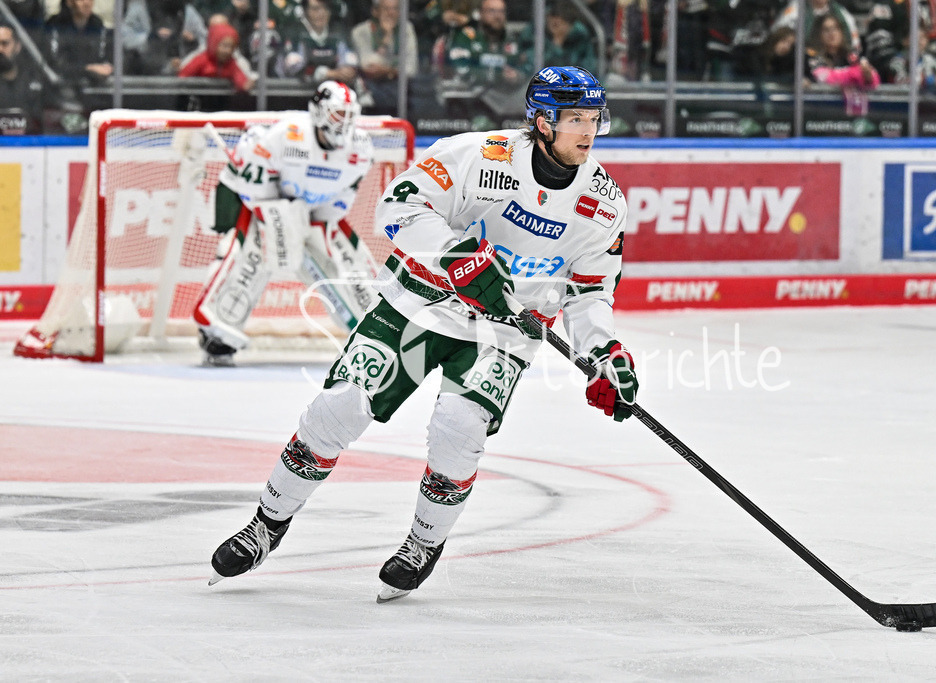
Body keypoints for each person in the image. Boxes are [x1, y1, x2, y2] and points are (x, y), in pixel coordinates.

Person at [208, 66, 637, 604]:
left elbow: (590, 292)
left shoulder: (603, 202)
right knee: (337, 409)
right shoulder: (478, 155)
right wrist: (454, 256)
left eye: (594, 119)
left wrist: (604, 353)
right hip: (418, 302)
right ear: (542, 121)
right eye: (575, 119)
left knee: (460, 429)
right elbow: (397, 205)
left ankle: (424, 542)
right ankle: (266, 525)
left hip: (503, 331)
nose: (589, 131)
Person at [192, 81, 374, 366]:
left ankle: (375, 330)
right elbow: (252, 189)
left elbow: (341, 200)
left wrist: (307, 221)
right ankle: (218, 332)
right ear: (319, 112)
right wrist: (282, 218)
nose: (345, 122)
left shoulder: (360, 147)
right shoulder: (287, 135)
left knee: (346, 261)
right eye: (338, 113)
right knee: (251, 256)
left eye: (349, 115)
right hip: (268, 206)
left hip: (312, 213)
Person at [350, 0, 418, 115]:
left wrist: (387, 71)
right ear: (375, 11)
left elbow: (411, 69)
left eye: (395, 8)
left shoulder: (406, 29)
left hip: (398, 90)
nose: (391, 13)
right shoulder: (360, 31)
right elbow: (368, 66)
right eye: (386, 9)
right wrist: (386, 38)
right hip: (371, 90)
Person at [805, 13, 879, 115]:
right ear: (818, 34)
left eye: (835, 28)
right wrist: (855, 74)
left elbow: (874, 77)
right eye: (826, 30)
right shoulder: (812, 57)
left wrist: (867, 76)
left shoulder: (853, 55)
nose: (832, 33)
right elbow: (824, 77)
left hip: (852, 112)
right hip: (822, 110)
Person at [277, 0, 359, 86]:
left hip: (335, 88)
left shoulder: (338, 32)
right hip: (296, 89)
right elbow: (293, 68)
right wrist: (328, 73)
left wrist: (347, 71)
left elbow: (349, 59)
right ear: (305, 11)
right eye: (315, 9)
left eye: (326, 8)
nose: (321, 13)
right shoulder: (295, 33)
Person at [42, 0, 113, 89]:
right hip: (60, 87)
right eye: (81, 0)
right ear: (69, 2)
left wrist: (106, 67)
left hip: (92, 87)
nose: (86, 3)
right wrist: (88, 68)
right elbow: (55, 65)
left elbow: (101, 57)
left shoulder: (96, 24)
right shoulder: (55, 24)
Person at [516, 3, 598, 77]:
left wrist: (559, 41)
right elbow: (528, 64)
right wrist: (556, 43)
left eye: (559, 23)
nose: (555, 26)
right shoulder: (536, 32)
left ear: (570, 24)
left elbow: (589, 69)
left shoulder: (580, 37)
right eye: (553, 22)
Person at [0, 22, 49, 134]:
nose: (0, 49)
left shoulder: (36, 80)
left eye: (5, 43)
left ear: (17, 46)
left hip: (32, 141)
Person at [177, 21, 254, 92]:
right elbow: (183, 77)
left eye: (231, 47)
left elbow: (239, 77)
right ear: (214, 44)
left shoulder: (231, 63)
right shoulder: (202, 59)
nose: (227, 51)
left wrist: (245, 85)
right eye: (224, 46)